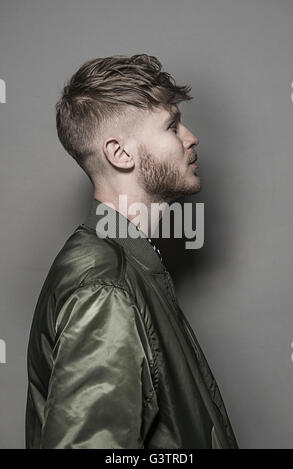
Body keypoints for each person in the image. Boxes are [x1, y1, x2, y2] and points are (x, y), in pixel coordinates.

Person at [25, 53, 238, 449]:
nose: (190, 137)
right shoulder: (105, 289)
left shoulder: (130, 265)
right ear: (120, 154)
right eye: (172, 126)